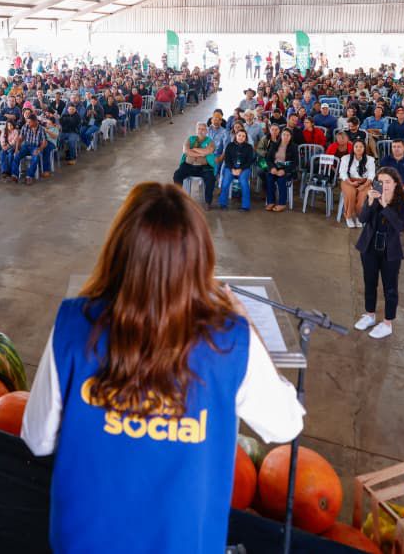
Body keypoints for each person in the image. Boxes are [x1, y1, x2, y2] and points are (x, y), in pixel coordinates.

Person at [20, 183, 303, 553]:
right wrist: (247, 327)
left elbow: (36, 438)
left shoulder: (74, 324)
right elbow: (286, 424)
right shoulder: (229, 341)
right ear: (200, 258)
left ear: (118, 252)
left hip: (86, 540)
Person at [354, 167, 404, 340]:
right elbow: (362, 219)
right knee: (369, 283)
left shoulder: (402, 204)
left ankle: (387, 323)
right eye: (381, 182)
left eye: (388, 182)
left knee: (390, 288)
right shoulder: (373, 197)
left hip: (390, 251)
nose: (384, 185)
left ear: (395, 184)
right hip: (370, 247)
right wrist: (371, 202)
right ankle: (370, 315)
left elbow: (400, 226)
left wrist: (385, 204)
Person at [172, 122, 217, 209]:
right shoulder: (190, 139)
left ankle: (208, 202)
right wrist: (201, 153)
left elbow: (208, 151)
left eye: (203, 129)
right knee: (177, 175)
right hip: (189, 165)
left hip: (204, 167)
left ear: (206, 131)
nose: (201, 131)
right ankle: (178, 198)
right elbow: (186, 150)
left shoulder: (210, 141)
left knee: (211, 179)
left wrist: (194, 150)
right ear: (196, 130)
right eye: (199, 129)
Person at [338, 139, 376, 228]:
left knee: (363, 196)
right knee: (351, 193)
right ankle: (349, 216)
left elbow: (371, 175)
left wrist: (364, 185)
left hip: (365, 181)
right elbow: (342, 173)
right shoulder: (345, 158)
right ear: (353, 148)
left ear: (364, 148)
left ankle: (359, 216)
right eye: (356, 147)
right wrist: (350, 183)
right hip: (348, 180)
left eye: (361, 147)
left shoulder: (370, 159)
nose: (359, 149)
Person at [217, 126, 255, 211]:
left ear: (246, 138)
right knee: (225, 182)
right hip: (230, 168)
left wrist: (240, 169)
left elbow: (249, 161)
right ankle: (223, 204)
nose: (241, 137)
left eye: (243, 136)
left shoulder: (249, 147)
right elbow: (227, 160)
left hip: (244, 168)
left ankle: (245, 206)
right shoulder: (230, 145)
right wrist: (232, 169)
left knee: (244, 182)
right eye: (239, 135)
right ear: (236, 136)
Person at [261, 126, 296, 212]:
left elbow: (295, 163)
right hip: (275, 169)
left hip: (286, 170)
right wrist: (272, 168)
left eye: (288, 135)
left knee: (281, 180)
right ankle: (271, 201)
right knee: (269, 178)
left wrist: (284, 171)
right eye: (284, 134)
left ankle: (282, 203)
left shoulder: (294, 147)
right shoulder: (274, 145)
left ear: (291, 137)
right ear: (281, 135)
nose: (285, 136)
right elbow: (268, 159)